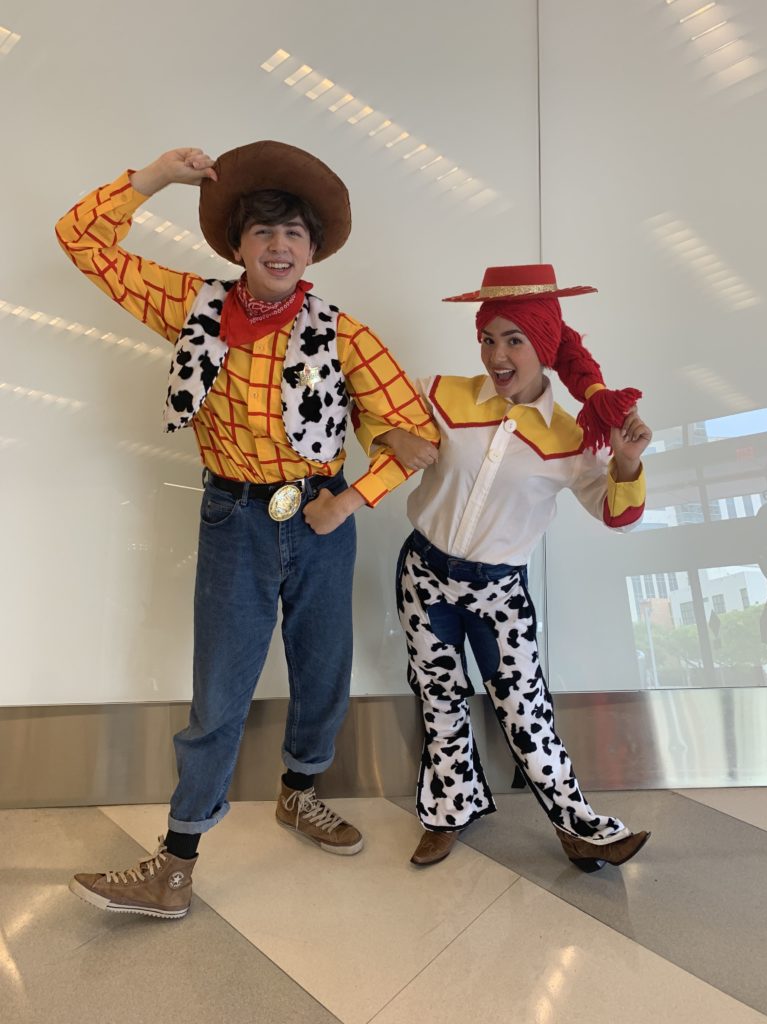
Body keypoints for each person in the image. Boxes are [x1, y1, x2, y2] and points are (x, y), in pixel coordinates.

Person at [55, 142, 439, 917]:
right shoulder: (190, 305)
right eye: (263, 231)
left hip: (322, 518)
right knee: (220, 692)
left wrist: (350, 499)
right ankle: (176, 862)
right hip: (234, 518)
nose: (279, 246)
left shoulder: (345, 335)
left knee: (323, 670)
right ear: (238, 246)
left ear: (313, 249)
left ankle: (300, 791)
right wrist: (155, 179)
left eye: (294, 233)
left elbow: (416, 438)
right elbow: (80, 240)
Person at [378, 264, 653, 869]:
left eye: (514, 340)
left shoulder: (574, 438)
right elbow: (370, 407)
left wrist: (628, 463)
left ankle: (579, 829)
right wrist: (391, 437)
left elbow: (618, 515)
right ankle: (448, 814)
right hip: (423, 576)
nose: (496, 355)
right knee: (439, 698)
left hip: (499, 592)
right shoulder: (440, 393)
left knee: (526, 710)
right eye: (487, 338)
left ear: (545, 344)